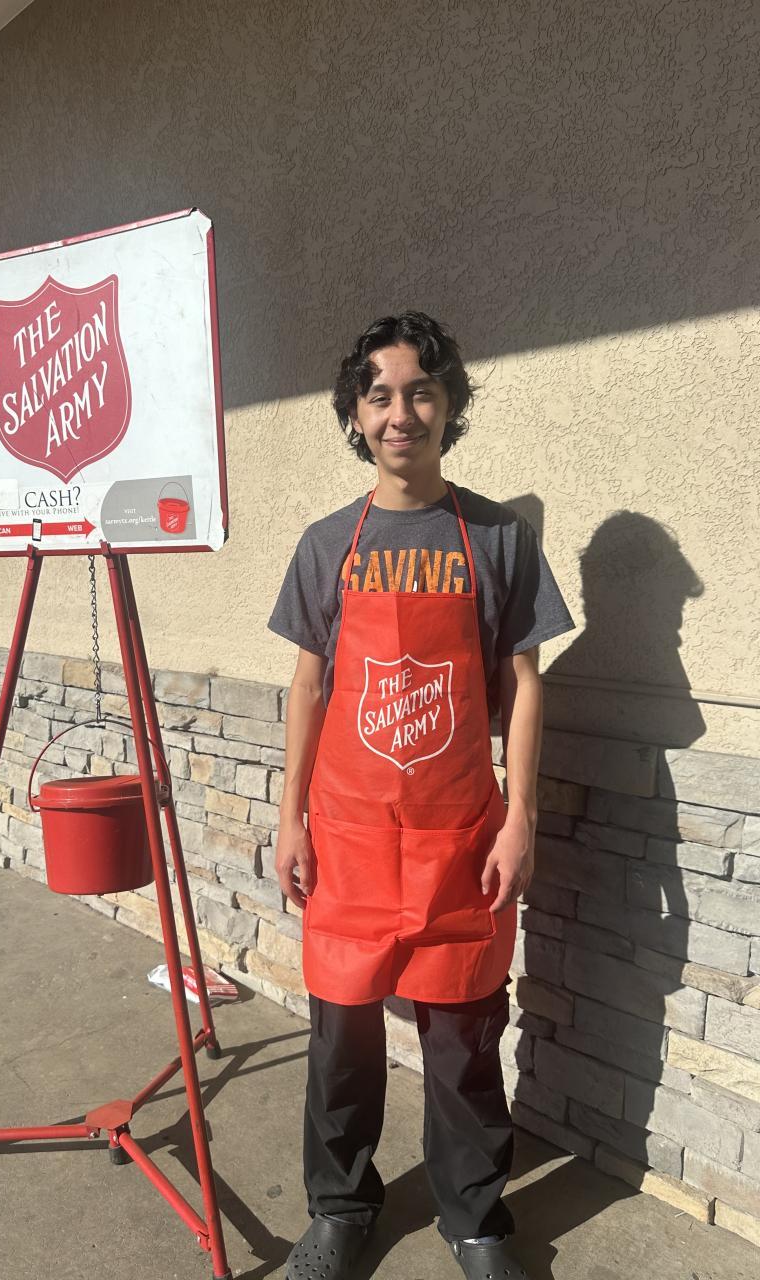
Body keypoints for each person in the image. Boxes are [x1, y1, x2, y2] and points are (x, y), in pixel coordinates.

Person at [267, 312, 576, 1280]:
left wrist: (520, 816)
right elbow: (308, 687)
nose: (400, 413)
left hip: (460, 841)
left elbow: (525, 683)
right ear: (357, 416)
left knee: (464, 1039)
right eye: (380, 396)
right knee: (341, 1042)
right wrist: (289, 818)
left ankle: (476, 1220)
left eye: (420, 392)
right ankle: (339, 1208)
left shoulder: (499, 539)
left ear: (449, 406)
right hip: (349, 842)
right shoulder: (328, 544)